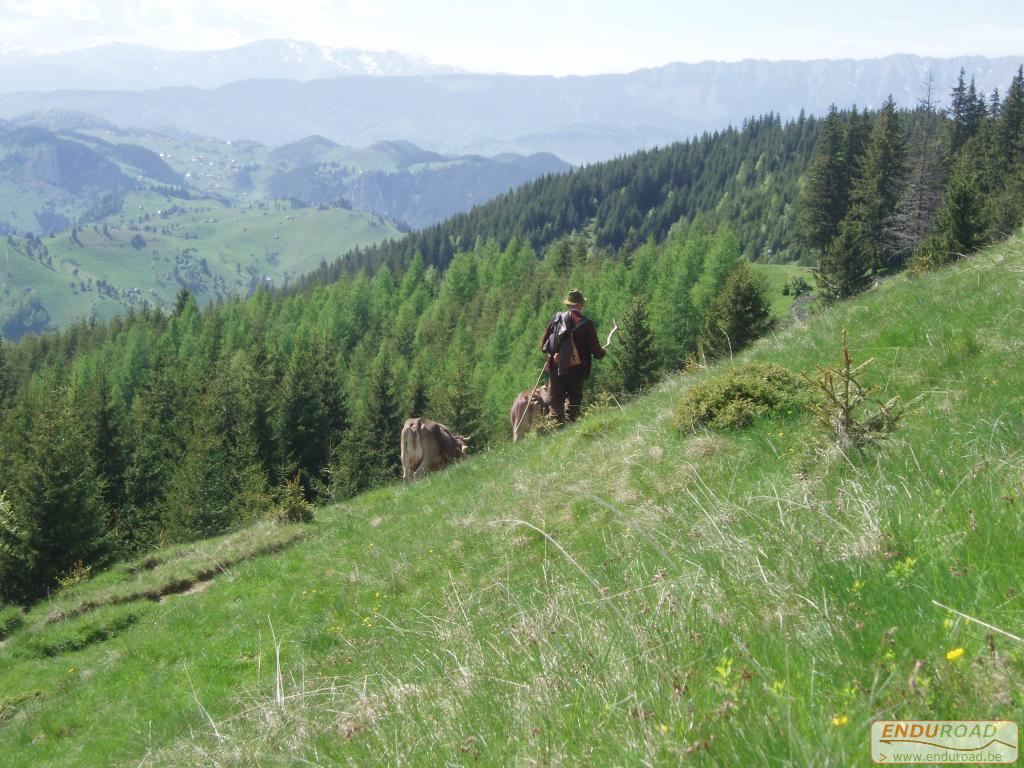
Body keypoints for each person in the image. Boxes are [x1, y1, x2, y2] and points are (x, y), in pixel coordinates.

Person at [540, 289, 607, 423]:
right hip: (577, 370)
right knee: (574, 400)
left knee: (556, 402)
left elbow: (544, 344)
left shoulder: (556, 319)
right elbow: (596, 351)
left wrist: (552, 358)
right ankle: (570, 426)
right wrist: (602, 352)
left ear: (568, 305)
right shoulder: (586, 324)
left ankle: (556, 427)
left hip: (556, 368)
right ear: (581, 304)